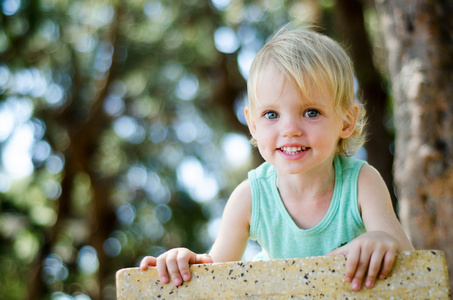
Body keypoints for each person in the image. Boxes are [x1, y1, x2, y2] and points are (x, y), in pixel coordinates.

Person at [140, 24, 414, 292]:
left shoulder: (361, 183)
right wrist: (185, 262)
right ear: (253, 124)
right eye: (271, 115)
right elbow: (214, 274)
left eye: (311, 112)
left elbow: (417, 269)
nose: (290, 129)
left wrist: (381, 241)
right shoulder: (250, 197)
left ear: (346, 121)